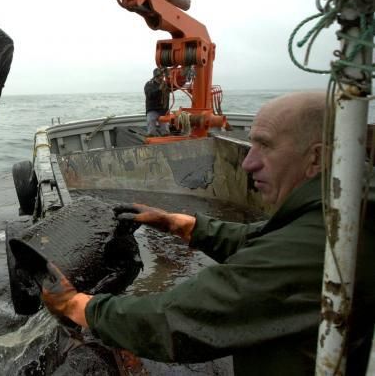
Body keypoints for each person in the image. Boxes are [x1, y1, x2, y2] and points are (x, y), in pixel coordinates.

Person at [40, 91, 375, 375]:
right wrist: (179, 223)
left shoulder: (329, 243)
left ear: (315, 158)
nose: (247, 163)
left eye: (265, 147)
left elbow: (179, 319)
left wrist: (78, 306)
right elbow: (263, 239)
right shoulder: (342, 209)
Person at [144, 68, 171, 136]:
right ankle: (151, 137)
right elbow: (150, 95)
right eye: (159, 76)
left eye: (162, 76)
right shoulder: (149, 84)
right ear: (155, 76)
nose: (161, 77)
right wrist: (159, 89)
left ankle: (165, 137)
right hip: (152, 109)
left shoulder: (166, 84)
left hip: (163, 110)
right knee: (151, 121)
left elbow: (175, 87)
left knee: (165, 128)